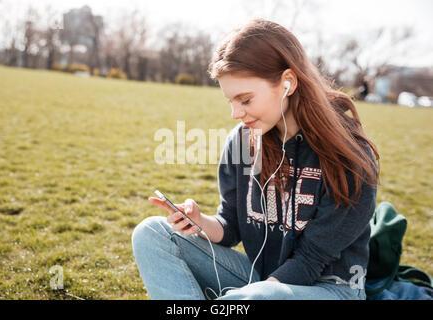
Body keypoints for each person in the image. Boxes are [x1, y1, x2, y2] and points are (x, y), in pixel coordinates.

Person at [131, 18, 380, 300]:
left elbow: (311, 260)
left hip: (330, 288)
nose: (236, 114)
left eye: (245, 100)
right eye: (231, 101)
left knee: (254, 299)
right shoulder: (242, 140)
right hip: (261, 279)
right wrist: (200, 222)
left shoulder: (350, 156)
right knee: (151, 233)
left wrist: (255, 292)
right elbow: (230, 225)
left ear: (287, 83)